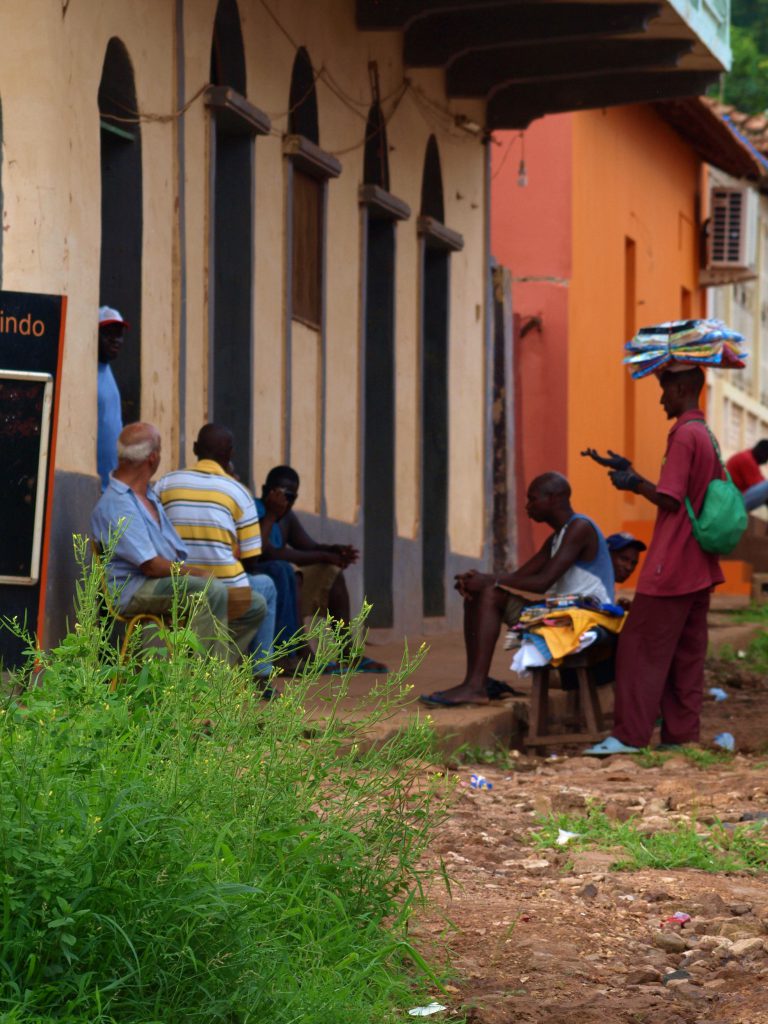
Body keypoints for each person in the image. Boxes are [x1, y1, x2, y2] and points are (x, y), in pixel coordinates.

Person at [581, 365, 724, 756]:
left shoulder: (682, 434)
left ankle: (629, 736)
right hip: (699, 563)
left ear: (680, 388)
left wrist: (633, 482)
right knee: (686, 653)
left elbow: (670, 498)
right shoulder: (705, 434)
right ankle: (681, 737)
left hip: (672, 564)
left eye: (664, 391)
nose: (662, 399)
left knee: (639, 648)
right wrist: (634, 473)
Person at [419, 472, 615, 707]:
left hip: (585, 621)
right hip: (561, 616)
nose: (527, 506)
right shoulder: (557, 538)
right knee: (482, 594)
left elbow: (542, 582)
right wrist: (480, 581)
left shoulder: (580, 528)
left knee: (490, 591)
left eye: (533, 499)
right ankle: (473, 683)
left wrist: (489, 580)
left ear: (553, 498)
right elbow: (518, 577)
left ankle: (475, 686)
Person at [91, 422, 266, 669]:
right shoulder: (117, 503)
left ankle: (208, 671)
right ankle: (201, 685)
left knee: (254, 605)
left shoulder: (148, 495)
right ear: (153, 458)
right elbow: (151, 565)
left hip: (159, 583)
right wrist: (200, 572)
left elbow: (170, 555)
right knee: (209, 590)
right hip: (134, 589)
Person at [155, 424, 283, 689]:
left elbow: (152, 531)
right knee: (265, 588)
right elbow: (251, 561)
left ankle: (208, 666)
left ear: (194, 449)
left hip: (175, 586)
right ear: (230, 455)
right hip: (223, 591)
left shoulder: (166, 483)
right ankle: (255, 673)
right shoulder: (238, 492)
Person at [256, 465, 387, 673]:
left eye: (291, 496)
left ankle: (347, 652)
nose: (285, 501)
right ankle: (299, 653)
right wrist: (271, 515)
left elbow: (308, 546)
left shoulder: (287, 518)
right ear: (266, 490)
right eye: (280, 493)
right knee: (290, 573)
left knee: (330, 572)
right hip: (266, 588)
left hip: (285, 587)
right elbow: (266, 552)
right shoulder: (258, 511)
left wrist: (333, 551)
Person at [97, 306, 128, 491]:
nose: (116, 340)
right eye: (109, 333)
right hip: (97, 486)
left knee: (120, 522)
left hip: (112, 485)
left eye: (119, 334)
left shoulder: (107, 370)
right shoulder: (87, 372)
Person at [726, 439, 768, 511]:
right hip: (731, 501)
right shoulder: (747, 459)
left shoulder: (748, 456)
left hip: (735, 497)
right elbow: (760, 486)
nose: (766, 461)